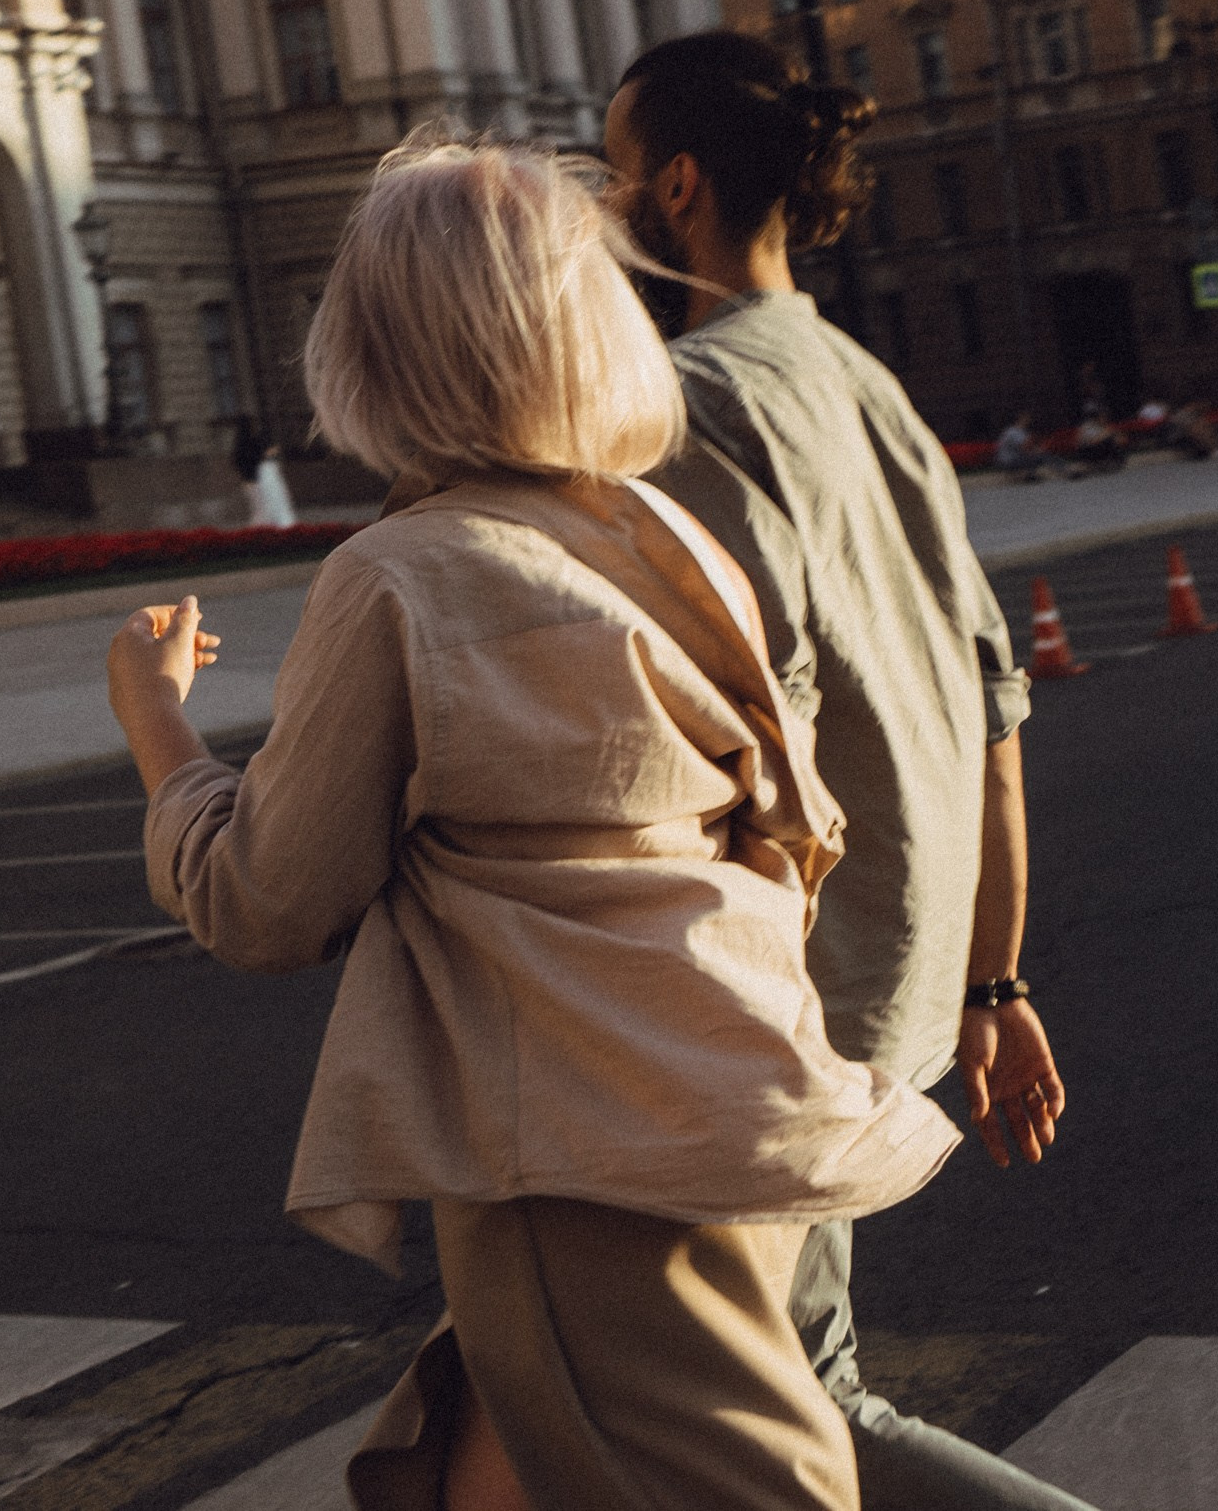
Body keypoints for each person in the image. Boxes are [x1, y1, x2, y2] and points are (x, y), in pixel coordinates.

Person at [107, 136, 960, 1511]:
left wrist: (158, 728)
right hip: (719, 1092)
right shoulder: (661, 543)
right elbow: (789, 828)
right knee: (479, 1465)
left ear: (375, 348)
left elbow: (268, 901)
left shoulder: (396, 574)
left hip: (575, 1151)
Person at [604, 31, 1090, 1511]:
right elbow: (994, 706)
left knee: (800, 1404)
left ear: (673, 187)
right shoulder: (867, 384)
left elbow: (747, 747)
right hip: (903, 965)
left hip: (785, 993)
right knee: (746, 1399)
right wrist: (992, 981)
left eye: (608, 171)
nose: (593, 205)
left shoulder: (687, 406)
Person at [994, 410, 1072, 481]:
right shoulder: (1013, 432)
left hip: (1011, 460)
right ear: (1021, 418)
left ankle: (1029, 475)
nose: (1029, 420)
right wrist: (1039, 451)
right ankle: (1065, 472)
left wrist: (1039, 450)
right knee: (1041, 457)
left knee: (1040, 456)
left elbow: (1027, 448)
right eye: (1027, 418)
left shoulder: (1020, 431)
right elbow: (1025, 448)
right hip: (1008, 462)